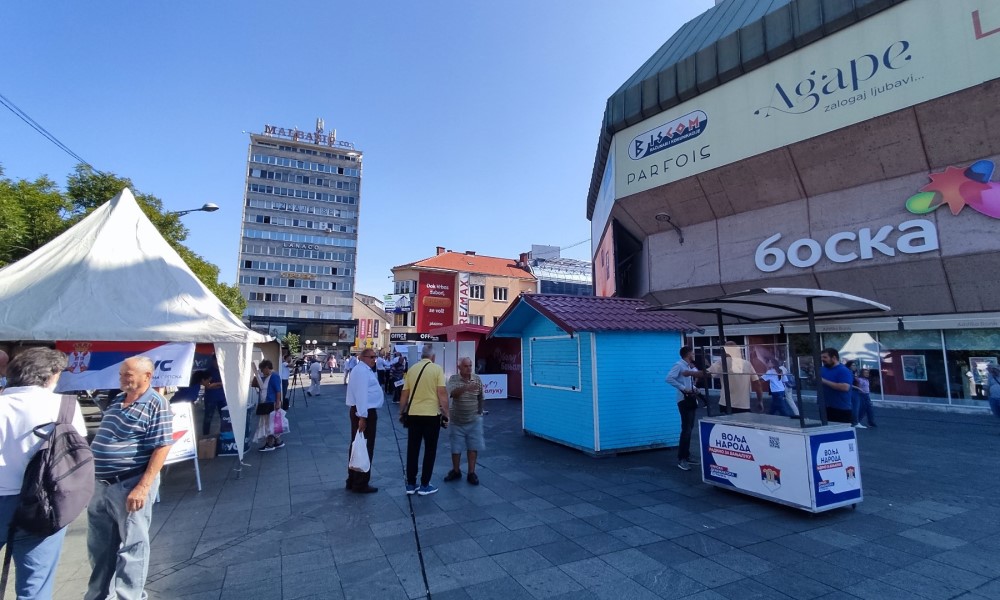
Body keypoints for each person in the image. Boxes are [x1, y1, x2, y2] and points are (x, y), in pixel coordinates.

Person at [1, 348, 87, 599]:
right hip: (43, 501)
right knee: (35, 585)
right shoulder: (65, 405)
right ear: (50, 375)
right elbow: (76, 454)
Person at [86, 356, 174, 600]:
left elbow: (162, 446)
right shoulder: (117, 400)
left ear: (147, 376)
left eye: (128, 374)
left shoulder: (156, 404)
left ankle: (129, 596)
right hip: (101, 485)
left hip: (129, 483)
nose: (122, 378)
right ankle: (99, 595)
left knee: (133, 545)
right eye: (121, 374)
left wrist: (143, 486)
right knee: (99, 546)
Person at [399, 346, 449, 496]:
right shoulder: (437, 369)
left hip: (414, 414)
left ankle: (411, 484)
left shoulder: (412, 369)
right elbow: (442, 394)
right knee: (430, 450)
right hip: (431, 415)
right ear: (433, 357)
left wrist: (401, 411)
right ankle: (425, 484)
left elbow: (404, 394)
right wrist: (447, 413)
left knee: (412, 449)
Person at [345, 350, 383, 494]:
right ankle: (360, 482)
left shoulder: (364, 370)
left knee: (358, 445)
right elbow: (361, 395)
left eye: (375, 357)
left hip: (363, 411)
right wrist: (362, 417)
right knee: (365, 447)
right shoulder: (361, 371)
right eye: (372, 357)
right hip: (364, 412)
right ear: (363, 357)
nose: (375, 360)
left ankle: (353, 479)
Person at [443, 357, 485, 485]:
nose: (469, 368)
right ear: (459, 367)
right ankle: (456, 471)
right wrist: (466, 387)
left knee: (473, 447)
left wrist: (480, 411)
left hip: (474, 420)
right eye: (466, 366)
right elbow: (453, 393)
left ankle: (471, 473)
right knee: (456, 448)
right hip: (457, 420)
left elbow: (481, 396)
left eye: (470, 365)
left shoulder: (477, 379)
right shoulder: (453, 379)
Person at [666, 345, 704, 471]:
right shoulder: (679, 365)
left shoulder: (688, 366)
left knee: (690, 428)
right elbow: (669, 378)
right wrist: (683, 388)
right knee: (686, 429)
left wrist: (693, 388)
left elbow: (691, 380)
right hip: (683, 400)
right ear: (688, 354)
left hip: (691, 398)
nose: (694, 355)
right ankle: (682, 459)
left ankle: (687, 456)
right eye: (692, 353)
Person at [707, 341, 761, 414]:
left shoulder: (722, 362)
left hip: (726, 403)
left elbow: (707, 374)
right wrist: (760, 401)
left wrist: (690, 373)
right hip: (743, 405)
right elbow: (757, 383)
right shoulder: (747, 363)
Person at [253, 360, 285, 452]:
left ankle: (270, 443)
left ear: (267, 368)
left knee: (269, 423)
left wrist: (278, 402)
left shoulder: (274, 376)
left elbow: (278, 390)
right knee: (273, 423)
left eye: (262, 369)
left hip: (271, 402)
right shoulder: (267, 376)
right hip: (269, 402)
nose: (262, 371)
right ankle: (277, 441)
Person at [819, 348, 854, 424]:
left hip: (841, 409)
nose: (822, 359)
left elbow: (845, 387)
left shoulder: (843, 370)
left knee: (841, 433)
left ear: (834, 358)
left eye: (825, 357)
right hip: (825, 407)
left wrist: (823, 381)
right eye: (821, 357)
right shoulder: (822, 369)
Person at [200, 354, 227, 436]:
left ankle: (225, 434)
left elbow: (227, 383)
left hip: (222, 397)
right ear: (213, 360)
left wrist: (214, 384)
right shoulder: (208, 371)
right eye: (216, 361)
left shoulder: (223, 370)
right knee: (208, 418)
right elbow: (207, 386)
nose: (218, 363)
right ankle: (205, 436)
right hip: (211, 398)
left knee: (224, 417)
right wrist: (219, 384)